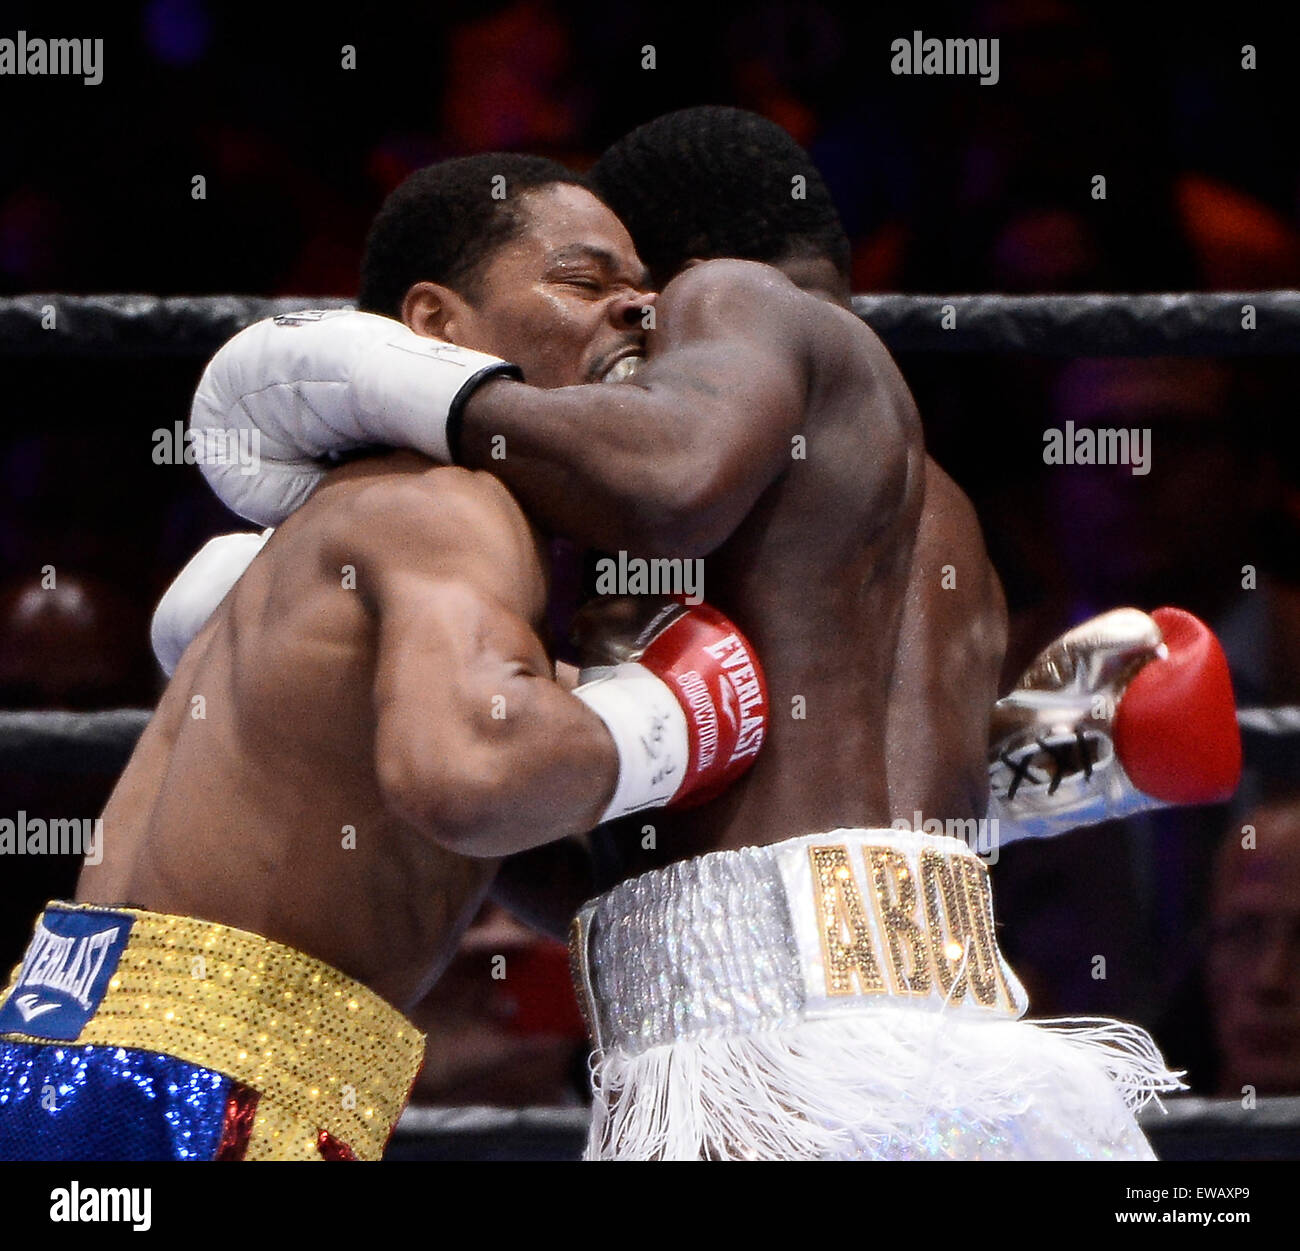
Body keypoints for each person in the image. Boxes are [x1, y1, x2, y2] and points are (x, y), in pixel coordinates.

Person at [175, 108, 1241, 1159]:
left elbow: (670, 478)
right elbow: (630, 886)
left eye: (619, 290)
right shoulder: (922, 522)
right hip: (952, 1051)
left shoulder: (729, 300)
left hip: (770, 1076)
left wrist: (396, 383)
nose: (620, 321)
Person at [0, 154, 766, 1161]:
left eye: (643, 294)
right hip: (209, 1086)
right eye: (584, 283)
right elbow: (475, 773)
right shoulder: (446, 503)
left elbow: (528, 856)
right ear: (435, 326)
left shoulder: (349, 539)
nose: (633, 312)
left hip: (84, 1052)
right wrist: (675, 717)